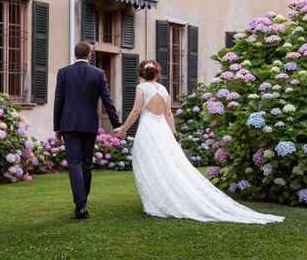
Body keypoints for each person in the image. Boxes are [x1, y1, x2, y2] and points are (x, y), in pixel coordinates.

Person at [116, 59, 284, 224]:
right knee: (167, 165)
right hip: (163, 132)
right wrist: (175, 136)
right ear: (157, 73)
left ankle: (155, 202)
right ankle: (160, 199)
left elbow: (137, 110)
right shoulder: (164, 90)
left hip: (148, 131)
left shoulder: (141, 88)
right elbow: (168, 114)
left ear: (141, 73)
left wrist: (123, 130)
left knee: (151, 164)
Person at [54, 42, 122, 220]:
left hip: (68, 125)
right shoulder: (98, 73)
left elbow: (58, 101)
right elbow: (107, 100)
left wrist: (57, 128)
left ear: (75, 54)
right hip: (89, 125)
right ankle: (83, 204)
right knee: (86, 164)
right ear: (89, 55)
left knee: (74, 164)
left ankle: (81, 205)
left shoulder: (63, 72)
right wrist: (116, 125)